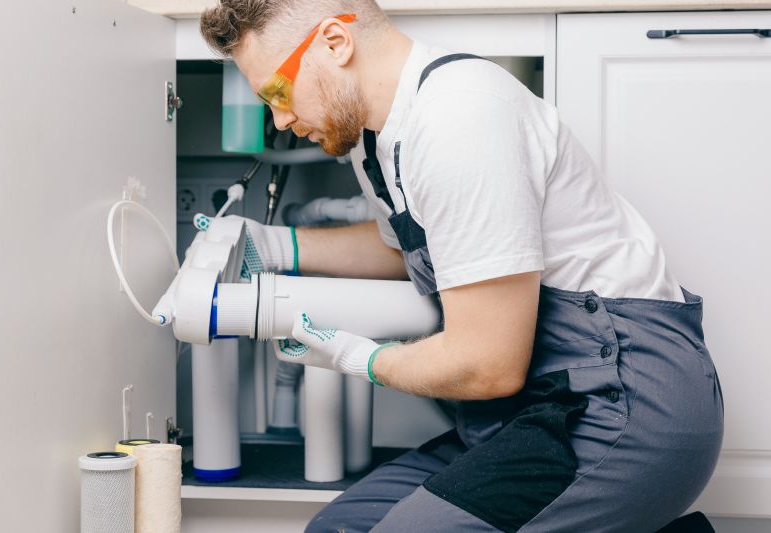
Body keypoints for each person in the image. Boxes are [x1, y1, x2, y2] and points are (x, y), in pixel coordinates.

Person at [200, 1, 724, 531]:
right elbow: (409, 249)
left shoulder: (459, 117)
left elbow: (488, 364)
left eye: (277, 93)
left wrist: (361, 358)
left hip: (619, 403)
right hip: (531, 408)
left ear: (336, 43)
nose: (280, 120)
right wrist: (273, 243)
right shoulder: (375, 138)